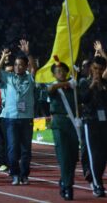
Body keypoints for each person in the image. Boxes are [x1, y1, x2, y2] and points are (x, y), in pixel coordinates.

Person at [0, 39, 37, 185]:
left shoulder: (30, 78)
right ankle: (14, 174)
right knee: (12, 148)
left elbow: (35, 68)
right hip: (10, 118)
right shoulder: (8, 78)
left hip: (27, 118)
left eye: (21, 65)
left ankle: (24, 174)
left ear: (25, 66)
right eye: (15, 65)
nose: (17, 67)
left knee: (26, 150)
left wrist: (29, 53)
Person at [47, 59, 78, 200]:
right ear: (54, 75)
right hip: (59, 124)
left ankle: (65, 180)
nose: (61, 73)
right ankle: (67, 185)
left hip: (73, 123)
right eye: (57, 72)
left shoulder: (74, 87)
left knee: (73, 157)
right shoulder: (54, 86)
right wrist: (67, 83)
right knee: (64, 156)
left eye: (63, 71)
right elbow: (50, 90)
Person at [79, 56, 107, 198]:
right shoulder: (84, 82)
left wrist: (102, 88)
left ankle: (97, 179)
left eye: (100, 69)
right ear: (91, 68)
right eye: (95, 68)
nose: (97, 72)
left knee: (103, 156)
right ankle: (97, 185)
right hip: (90, 122)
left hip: (104, 123)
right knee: (94, 155)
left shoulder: (105, 84)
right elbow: (83, 99)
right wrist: (92, 86)